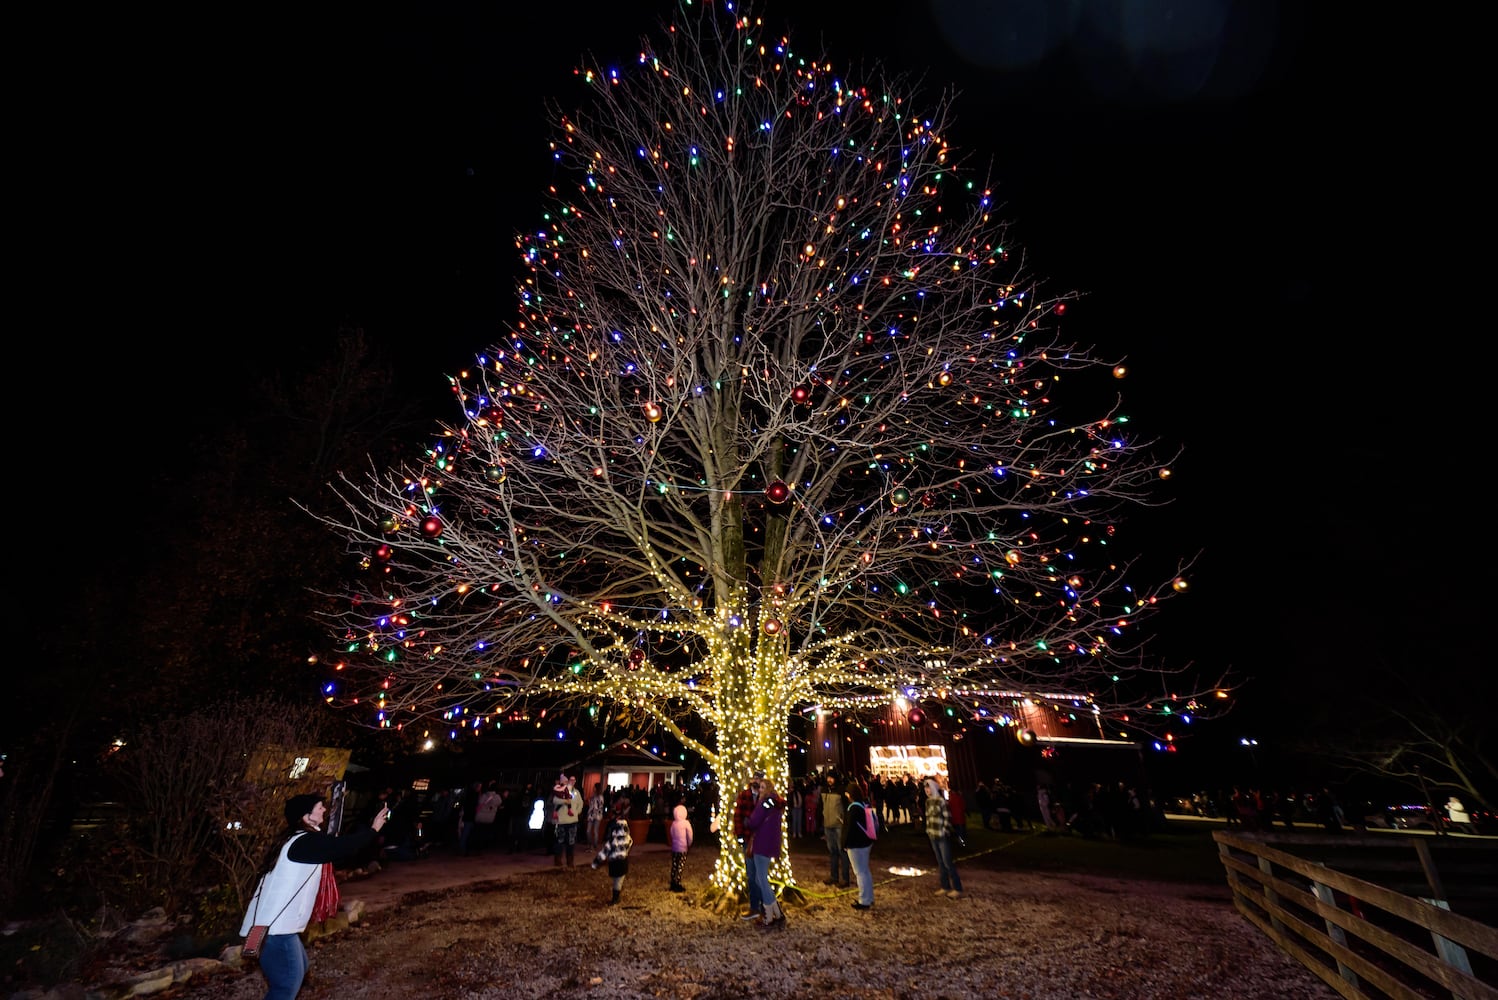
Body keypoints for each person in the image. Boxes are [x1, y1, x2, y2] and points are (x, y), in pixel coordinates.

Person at [241, 793, 388, 1000]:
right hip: (275, 930)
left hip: (275, 927)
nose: (324, 810)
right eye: (319, 807)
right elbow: (341, 847)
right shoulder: (303, 843)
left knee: (298, 970)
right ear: (305, 816)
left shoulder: (298, 841)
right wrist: (373, 830)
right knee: (287, 984)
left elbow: (335, 846)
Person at [744, 775, 786, 929]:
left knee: (761, 879)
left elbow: (754, 821)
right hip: (771, 844)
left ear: (767, 789)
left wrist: (747, 821)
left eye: (762, 787)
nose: (759, 790)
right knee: (759, 878)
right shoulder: (776, 803)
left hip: (762, 843)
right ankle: (777, 913)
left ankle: (769, 916)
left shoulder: (764, 803)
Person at [590, 797, 635, 906]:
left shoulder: (612, 840)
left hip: (614, 862)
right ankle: (616, 896)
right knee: (619, 881)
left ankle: (615, 897)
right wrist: (625, 851)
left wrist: (595, 863)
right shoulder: (627, 838)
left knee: (616, 880)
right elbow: (630, 843)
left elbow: (604, 852)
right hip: (623, 862)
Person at [924, 777, 964, 899]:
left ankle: (957, 888)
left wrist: (944, 830)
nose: (927, 790)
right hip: (932, 834)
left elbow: (947, 817)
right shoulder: (928, 802)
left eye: (928, 788)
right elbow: (928, 817)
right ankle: (945, 886)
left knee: (947, 862)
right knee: (940, 863)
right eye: (925, 788)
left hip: (941, 836)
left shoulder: (941, 801)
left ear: (934, 788)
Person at [731, 774, 763, 920]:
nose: (756, 780)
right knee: (751, 874)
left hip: (762, 841)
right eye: (755, 778)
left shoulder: (765, 795)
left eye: (759, 778)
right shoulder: (744, 795)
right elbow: (737, 816)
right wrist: (740, 835)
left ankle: (765, 906)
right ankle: (754, 906)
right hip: (748, 840)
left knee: (761, 875)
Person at [844, 782, 877, 911]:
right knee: (865, 871)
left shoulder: (853, 808)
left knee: (860, 872)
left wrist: (845, 843)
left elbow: (850, 828)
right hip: (866, 842)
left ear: (850, 795)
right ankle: (869, 897)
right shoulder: (863, 804)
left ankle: (864, 900)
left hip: (856, 844)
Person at [821, 775, 851, 888]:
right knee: (832, 852)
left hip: (838, 825)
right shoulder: (824, 790)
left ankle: (845, 878)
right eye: (828, 777)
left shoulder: (841, 790)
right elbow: (821, 806)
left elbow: (846, 805)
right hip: (827, 824)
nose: (829, 779)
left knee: (842, 851)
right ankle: (834, 876)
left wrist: (843, 819)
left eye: (831, 777)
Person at [550, 772, 583, 866]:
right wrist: (565, 801)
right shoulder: (559, 790)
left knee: (571, 841)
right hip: (561, 820)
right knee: (559, 841)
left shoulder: (576, 792)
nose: (572, 782)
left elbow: (580, 803)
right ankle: (558, 860)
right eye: (570, 780)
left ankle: (570, 860)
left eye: (573, 780)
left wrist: (577, 811)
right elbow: (555, 800)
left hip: (572, 820)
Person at [668, 801, 694, 891]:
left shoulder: (674, 823)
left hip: (675, 847)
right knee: (680, 865)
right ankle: (677, 883)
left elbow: (671, 833)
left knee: (674, 864)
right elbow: (690, 835)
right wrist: (689, 843)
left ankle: (672, 881)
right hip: (683, 848)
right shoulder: (686, 823)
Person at [586, 781, 607, 851]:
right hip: (592, 815)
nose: (593, 788)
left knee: (595, 831)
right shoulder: (593, 796)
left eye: (594, 787)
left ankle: (593, 845)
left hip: (596, 815)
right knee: (588, 831)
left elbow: (599, 807)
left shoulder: (600, 797)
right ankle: (591, 845)